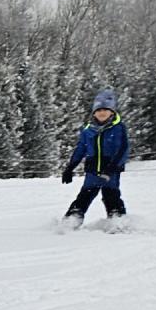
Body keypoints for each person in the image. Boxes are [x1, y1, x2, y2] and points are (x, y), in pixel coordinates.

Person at [61, 89, 129, 226]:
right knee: (84, 196)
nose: (102, 113)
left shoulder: (118, 128)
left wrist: (113, 166)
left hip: (110, 170)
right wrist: (70, 168)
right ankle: (72, 220)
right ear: (94, 112)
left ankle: (118, 221)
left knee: (111, 196)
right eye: (98, 110)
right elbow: (80, 149)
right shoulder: (88, 130)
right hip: (92, 171)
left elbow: (123, 149)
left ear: (112, 111)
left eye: (105, 109)